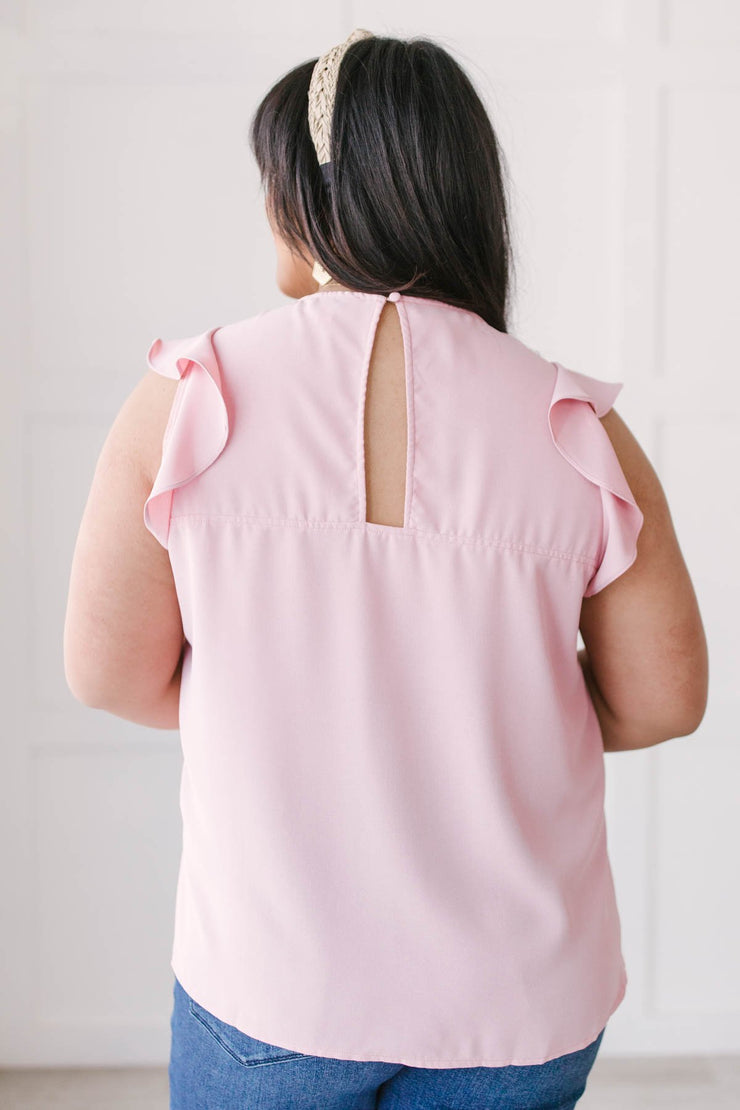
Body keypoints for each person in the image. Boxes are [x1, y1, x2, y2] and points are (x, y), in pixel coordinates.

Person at [64, 28, 709, 1110]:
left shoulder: (188, 399)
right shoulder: (576, 427)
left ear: (309, 200)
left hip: (275, 982)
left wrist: (291, 710)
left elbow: (107, 672)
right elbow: (663, 699)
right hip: (518, 997)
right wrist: (481, 714)